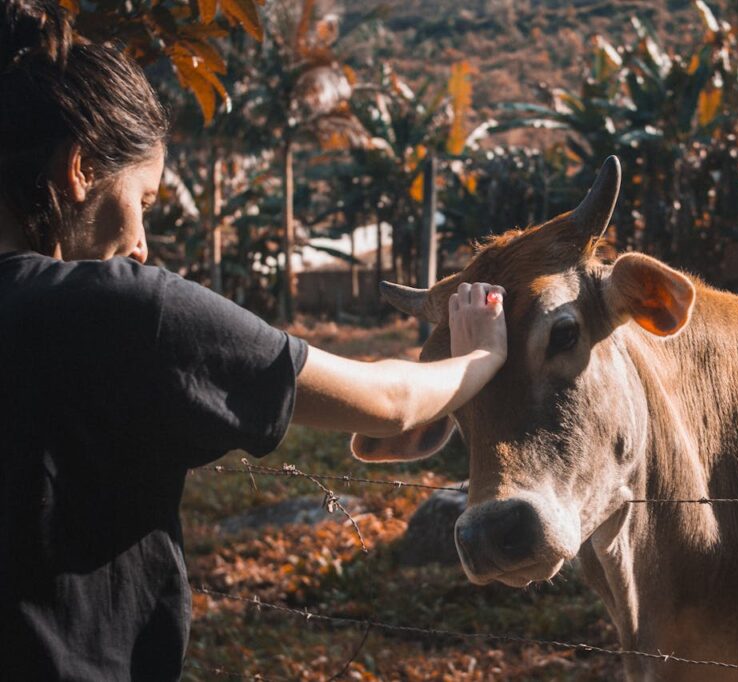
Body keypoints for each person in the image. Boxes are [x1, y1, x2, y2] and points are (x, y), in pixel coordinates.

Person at [0, 1, 507, 680]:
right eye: (143, 202)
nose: (143, 246)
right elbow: (390, 402)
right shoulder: (126, 311)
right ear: (82, 167)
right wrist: (483, 354)